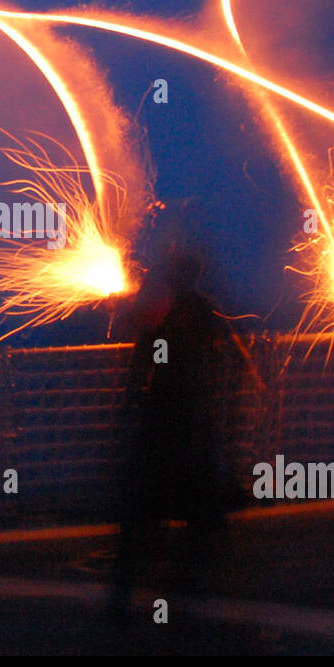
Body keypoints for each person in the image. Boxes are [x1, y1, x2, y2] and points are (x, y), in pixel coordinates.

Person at [112, 245, 234, 617]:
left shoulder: (165, 316)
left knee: (146, 505)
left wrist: (132, 404)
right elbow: (218, 363)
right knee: (195, 507)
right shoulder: (207, 314)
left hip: (165, 419)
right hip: (194, 420)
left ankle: (125, 591)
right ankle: (190, 587)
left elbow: (149, 358)